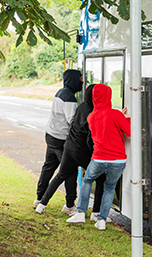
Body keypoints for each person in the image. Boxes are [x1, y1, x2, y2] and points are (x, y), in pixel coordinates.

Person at [35, 84, 107, 218]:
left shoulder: (81, 106)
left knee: (60, 175)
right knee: (101, 178)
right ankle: (96, 212)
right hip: (81, 151)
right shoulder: (94, 113)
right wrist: (94, 154)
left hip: (69, 147)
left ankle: (41, 204)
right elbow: (89, 139)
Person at [67, 84, 131, 230]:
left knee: (87, 181)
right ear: (109, 96)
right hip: (118, 160)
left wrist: (119, 117)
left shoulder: (91, 117)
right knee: (109, 188)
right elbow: (128, 132)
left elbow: (104, 124)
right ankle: (101, 220)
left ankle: (81, 213)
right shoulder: (116, 114)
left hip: (99, 159)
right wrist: (125, 118)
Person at [33, 69, 83, 212]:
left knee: (49, 166)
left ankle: (39, 197)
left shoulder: (61, 92)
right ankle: (69, 205)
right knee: (70, 170)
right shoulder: (69, 98)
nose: (82, 81)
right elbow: (72, 121)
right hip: (61, 139)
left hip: (51, 135)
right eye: (80, 78)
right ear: (74, 79)